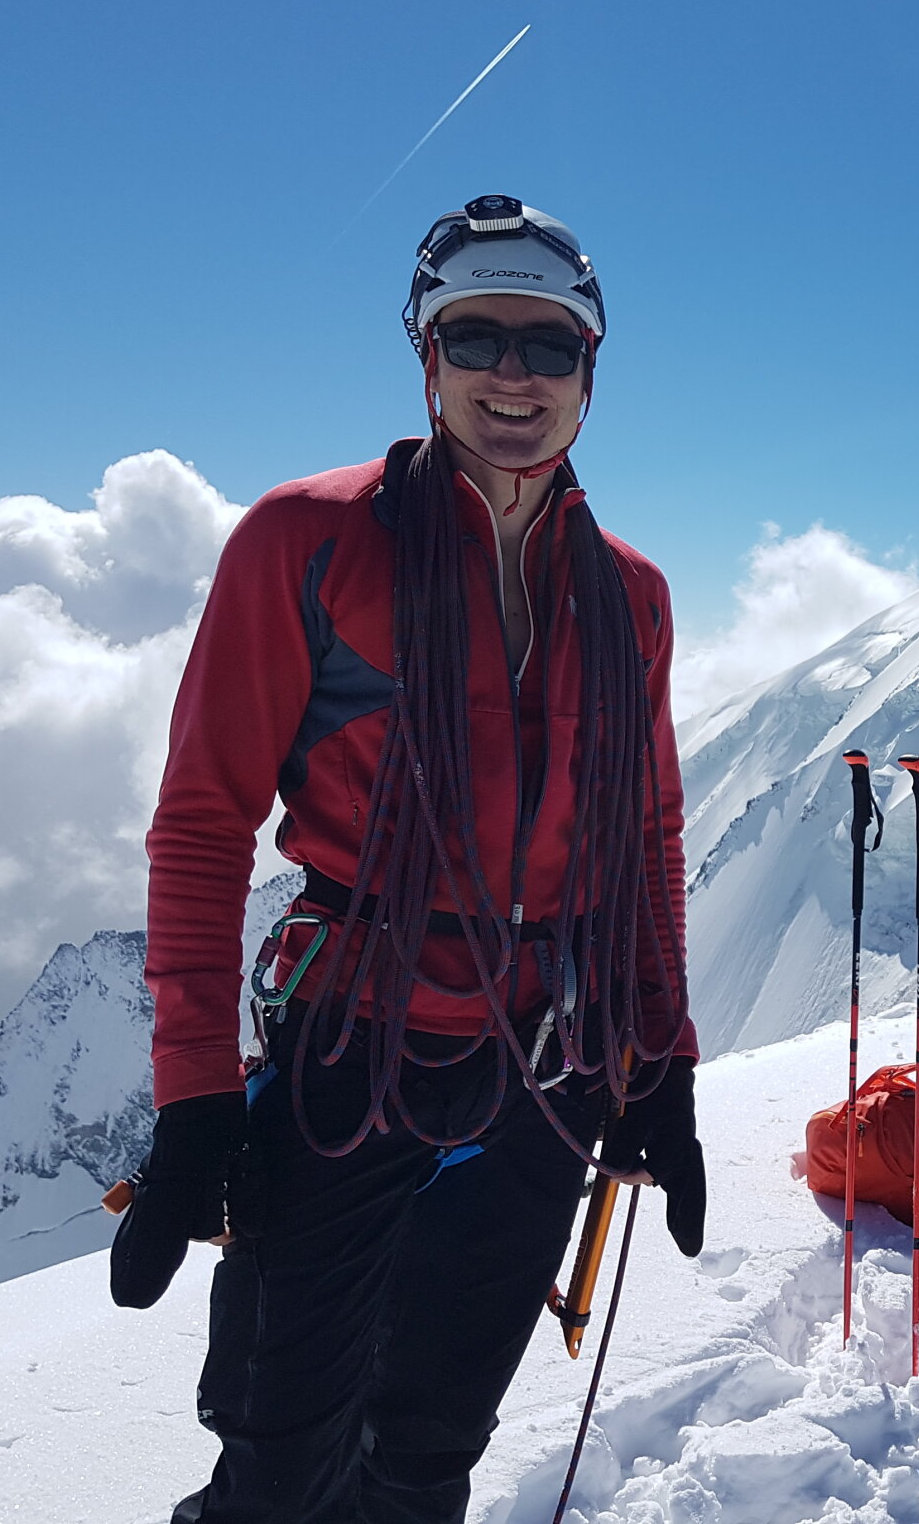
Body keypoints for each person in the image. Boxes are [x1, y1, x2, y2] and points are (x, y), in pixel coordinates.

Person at [111, 195, 707, 1524]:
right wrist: (195, 1096)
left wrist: (659, 1062)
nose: (513, 375)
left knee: (432, 1451)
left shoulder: (632, 595)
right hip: (352, 1048)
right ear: (426, 357)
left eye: (548, 346)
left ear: (590, 371)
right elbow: (204, 820)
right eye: (476, 337)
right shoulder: (308, 542)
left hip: (545, 1068)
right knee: (277, 1464)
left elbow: (643, 839)